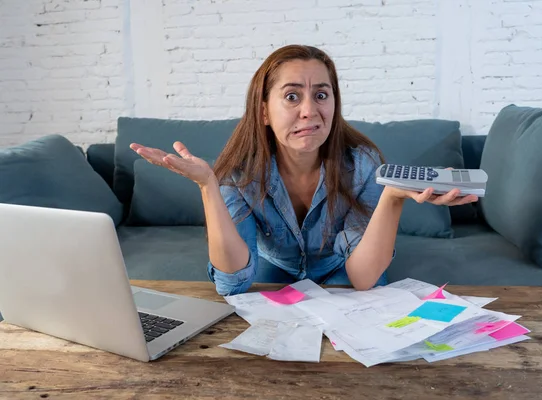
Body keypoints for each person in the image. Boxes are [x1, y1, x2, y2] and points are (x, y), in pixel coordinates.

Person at [130, 45, 477, 296]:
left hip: (337, 265)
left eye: (321, 95)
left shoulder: (362, 164)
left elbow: (362, 278)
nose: (310, 110)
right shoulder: (239, 174)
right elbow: (231, 283)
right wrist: (208, 185)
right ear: (264, 111)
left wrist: (394, 197)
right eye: (292, 97)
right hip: (275, 264)